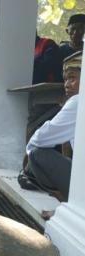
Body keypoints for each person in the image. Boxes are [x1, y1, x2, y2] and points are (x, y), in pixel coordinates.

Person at [20, 51, 82, 203]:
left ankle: (69, 203)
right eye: (66, 79)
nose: (67, 84)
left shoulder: (79, 101)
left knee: (37, 153)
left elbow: (44, 136)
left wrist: (27, 155)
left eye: (73, 78)